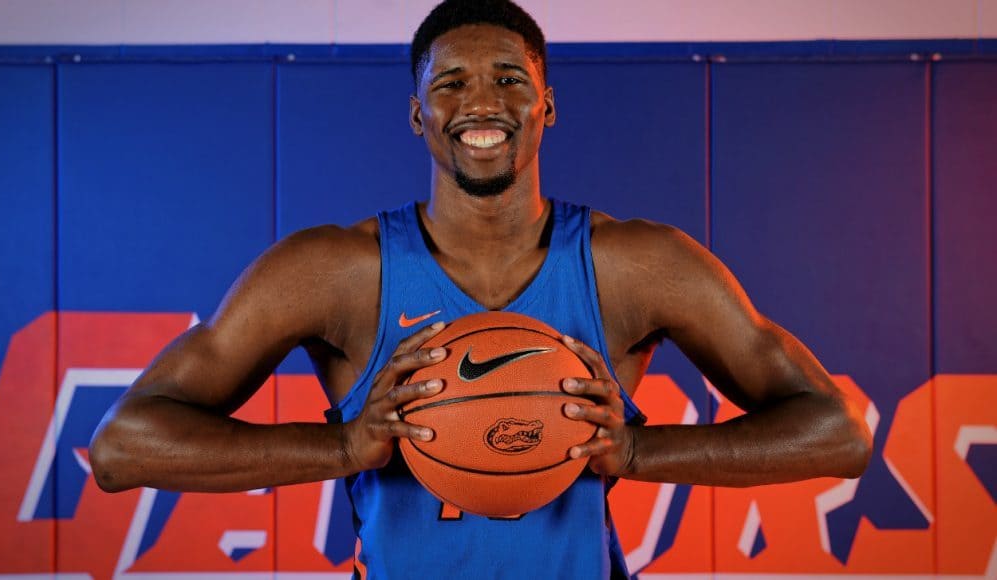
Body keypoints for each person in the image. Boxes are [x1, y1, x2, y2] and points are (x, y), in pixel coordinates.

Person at [89, 0, 872, 577]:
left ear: (547, 105)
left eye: (508, 78)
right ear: (417, 115)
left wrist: (635, 449)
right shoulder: (332, 272)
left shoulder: (637, 265)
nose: (481, 103)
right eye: (450, 83)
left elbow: (838, 433)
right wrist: (343, 444)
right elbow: (124, 449)